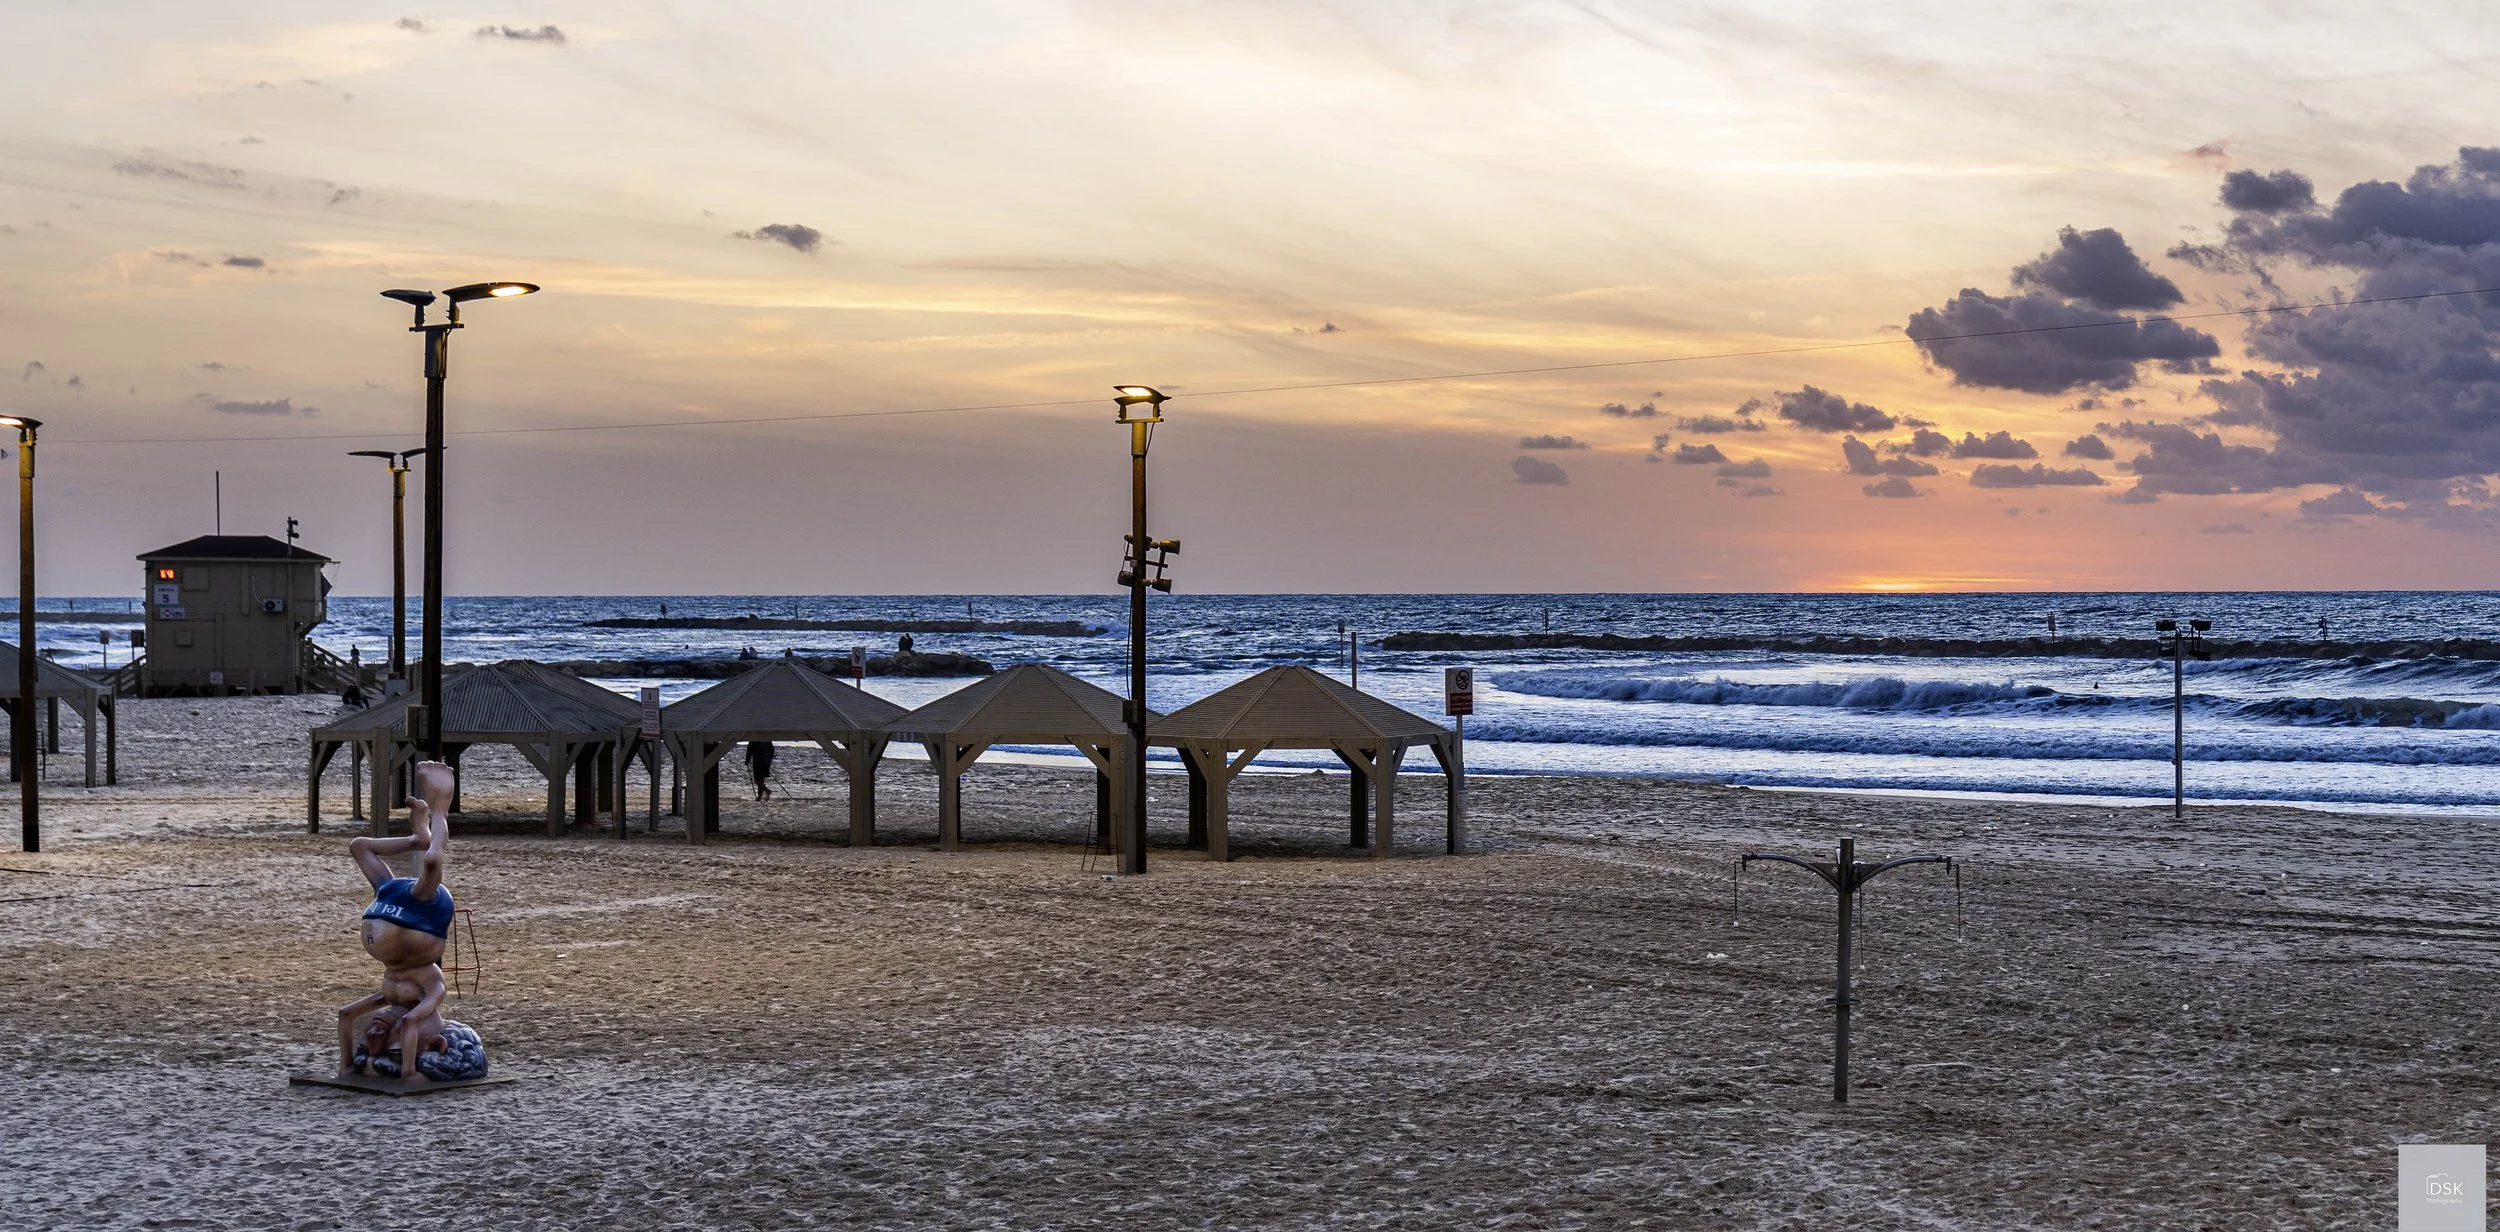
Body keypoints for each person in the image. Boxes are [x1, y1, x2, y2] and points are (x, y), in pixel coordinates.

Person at [337, 762, 485, 1083]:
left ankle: (408, 1072)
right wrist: (418, 839)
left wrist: (439, 810)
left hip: (411, 1019)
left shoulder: (424, 914)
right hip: (397, 1006)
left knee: (431, 858)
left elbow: (434, 996)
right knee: (359, 845)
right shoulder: (390, 893)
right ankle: (418, 837)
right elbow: (361, 848)